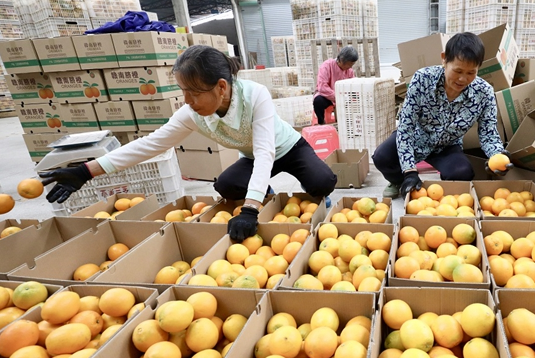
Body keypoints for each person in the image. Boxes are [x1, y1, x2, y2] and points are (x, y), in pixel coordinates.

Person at [39, 45, 338, 241]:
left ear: (221, 87)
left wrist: (249, 209)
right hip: (252, 157)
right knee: (226, 186)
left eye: (193, 93)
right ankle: (265, 194)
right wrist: (87, 170)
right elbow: (152, 144)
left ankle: (277, 194)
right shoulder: (192, 113)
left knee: (322, 181)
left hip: (287, 148)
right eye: (183, 92)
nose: (187, 101)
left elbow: (265, 152)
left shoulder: (255, 95)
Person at [372, 32, 513, 199]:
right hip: (417, 136)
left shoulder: (484, 93)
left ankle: (442, 195)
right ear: (444, 59)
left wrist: (497, 155)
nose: (463, 79)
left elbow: (488, 134)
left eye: (471, 73)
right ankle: (398, 181)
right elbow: (406, 127)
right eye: (458, 71)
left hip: (447, 146)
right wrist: (409, 171)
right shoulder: (422, 79)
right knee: (382, 157)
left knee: (462, 173)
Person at [313, 46, 358, 124]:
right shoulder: (327, 65)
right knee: (318, 101)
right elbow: (322, 87)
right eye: (350, 64)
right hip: (327, 96)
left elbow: (352, 86)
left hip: (344, 97)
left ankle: (349, 123)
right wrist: (337, 96)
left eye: (352, 64)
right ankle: (321, 123)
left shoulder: (350, 71)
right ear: (342, 61)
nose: (351, 67)